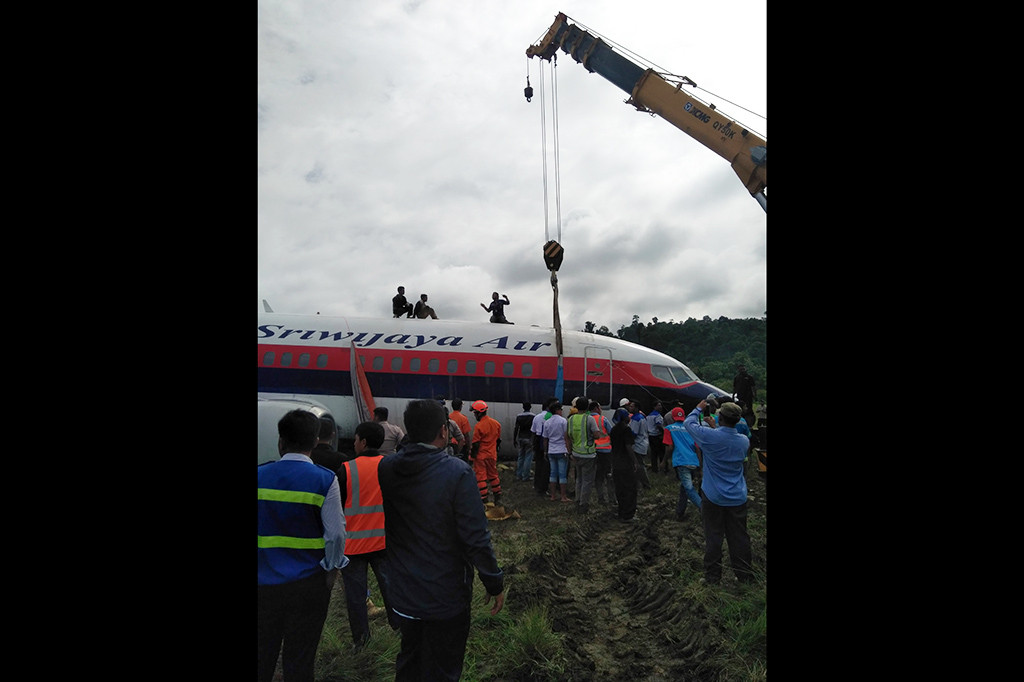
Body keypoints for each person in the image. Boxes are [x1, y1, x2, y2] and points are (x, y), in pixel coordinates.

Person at [377, 399, 505, 681]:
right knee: (444, 668)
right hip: (445, 597)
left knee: (409, 660)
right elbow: (475, 538)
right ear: (443, 431)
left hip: (403, 593)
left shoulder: (386, 468)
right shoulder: (457, 473)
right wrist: (493, 580)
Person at [258, 410, 348, 682]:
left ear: (281, 442)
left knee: (262, 655)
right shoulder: (324, 480)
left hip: (262, 584)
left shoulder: (260, 476)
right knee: (300, 659)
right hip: (308, 585)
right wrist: (332, 568)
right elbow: (336, 535)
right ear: (315, 441)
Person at [337, 421, 401, 649]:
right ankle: (401, 629)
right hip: (383, 542)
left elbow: (339, 509)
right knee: (391, 589)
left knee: (356, 598)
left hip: (353, 547)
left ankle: (361, 643)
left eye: (355, 439)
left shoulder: (346, 469)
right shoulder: (391, 466)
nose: (354, 443)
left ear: (363, 442)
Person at [684, 400, 754, 584]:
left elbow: (688, 423)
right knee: (739, 537)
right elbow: (726, 439)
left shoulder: (709, 437)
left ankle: (713, 578)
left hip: (713, 496)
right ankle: (744, 576)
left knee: (713, 537)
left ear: (720, 417)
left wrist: (698, 407)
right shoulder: (743, 441)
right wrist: (716, 428)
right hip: (737, 497)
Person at [664, 407, 702, 521]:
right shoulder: (690, 429)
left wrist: (664, 461)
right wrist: (700, 465)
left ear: (672, 417)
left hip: (681, 461)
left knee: (689, 488)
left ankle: (704, 508)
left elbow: (669, 448)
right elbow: (697, 448)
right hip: (693, 461)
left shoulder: (669, 429)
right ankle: (680, 512)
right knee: (684, 488)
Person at [567, 396, 600, 513]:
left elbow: (567, 437)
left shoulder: (570, 419)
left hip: (575, 453)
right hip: (588, 454)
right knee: (587, 481)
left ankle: (577, 500)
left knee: (579, 479)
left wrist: (570, 452)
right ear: (587, 407)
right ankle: (583, 505)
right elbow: (596, 435)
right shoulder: (589, 419)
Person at [470, 400, 503, 506]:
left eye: (475, 413)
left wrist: (471, 457)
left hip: (481, 456)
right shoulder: (496, 424)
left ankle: (484, 500)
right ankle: (497, 497)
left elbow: (475, 444)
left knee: (481, 478)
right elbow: (498, 440)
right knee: (493, 476)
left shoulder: (479, 426)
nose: (475, 415)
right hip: (492, 455)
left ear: (479, 413)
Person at [609, 408, 638, 522]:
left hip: (616, 463)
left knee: (620, 489)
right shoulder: (626, 430)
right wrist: (634, 461)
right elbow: (628, 446)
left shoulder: (613, 429)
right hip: (625, 463)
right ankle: (628, 515)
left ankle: (621, 512)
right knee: (630, 489)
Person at [541, 401, 570, 502]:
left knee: (553, 474)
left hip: (551, 451)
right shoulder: (563, 421)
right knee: (562, 475)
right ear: (558, 410)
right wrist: (569, 450)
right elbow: (566, 437)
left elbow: (545, 439)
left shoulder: (547, 422)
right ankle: (563, 496)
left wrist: (545, 451)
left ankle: (553, 496)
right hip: (562, 450)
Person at [589, 401, 616, 507]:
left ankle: (601, 498)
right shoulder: (602, 419)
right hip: (605, 451)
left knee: (598, 476)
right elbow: (611, 432)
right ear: (596, 408)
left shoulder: (586, 419)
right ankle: (611, 498)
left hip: (592, 451)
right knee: (608, 475)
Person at [531, 397, 557, 496]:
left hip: (538, 441)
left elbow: (533, 432)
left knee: (539, 465)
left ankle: (536, 484)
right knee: (547, 467)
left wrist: (534, 444)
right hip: (546, 441)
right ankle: (543, 488)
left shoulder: (537, 417)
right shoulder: (550, 416)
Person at [627, 402, 652, 490]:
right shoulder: (642, 417)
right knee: (638, 465)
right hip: (643, 443)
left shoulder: (636, 418)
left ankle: (646, 484)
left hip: (638, 445)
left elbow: (633, 433)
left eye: (632, 406)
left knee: (639, 465)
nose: (630, 408)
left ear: (637, 408)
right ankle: (638, 484)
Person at [513, 402, 536, 481]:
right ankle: (526, 475)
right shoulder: (533, 416)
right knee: (528, 457)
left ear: (523, 407)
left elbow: (516, 428)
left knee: (521, 457)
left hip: (521, 438)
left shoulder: (519, 416)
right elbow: (534, 429)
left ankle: (519, 475)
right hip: (529, 438)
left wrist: (514, 439)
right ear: (530, 407)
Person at [646, 401, 667, 474]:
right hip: (657, 436)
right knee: (661, 453)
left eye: (660, 405)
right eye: (658, 405)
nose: (660, 407)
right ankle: (663, 469)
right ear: (654, 407)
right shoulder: (657, 416)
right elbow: (658, 425)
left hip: (651, 436)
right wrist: (663, 432)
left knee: (653, 454)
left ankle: (654, 469)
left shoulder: (648, 416)